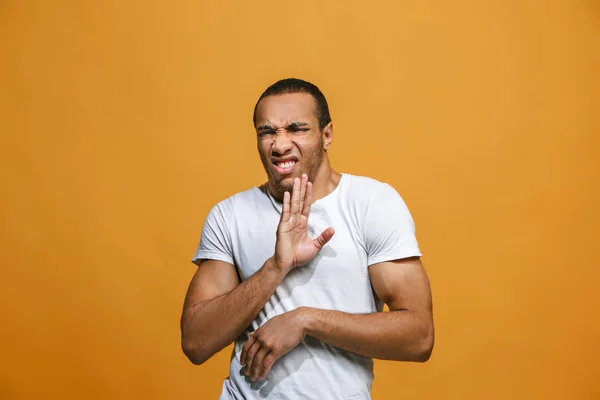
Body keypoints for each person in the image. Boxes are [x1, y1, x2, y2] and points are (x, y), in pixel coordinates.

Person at [181, 78, 434, 399]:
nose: (280, 144)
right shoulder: (230, 215)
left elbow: (419, 337)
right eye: (267, 131)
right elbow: (195, 343)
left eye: (296, 129)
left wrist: (306, 320)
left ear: (326, 135)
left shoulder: (372, 203)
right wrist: (275, 267)